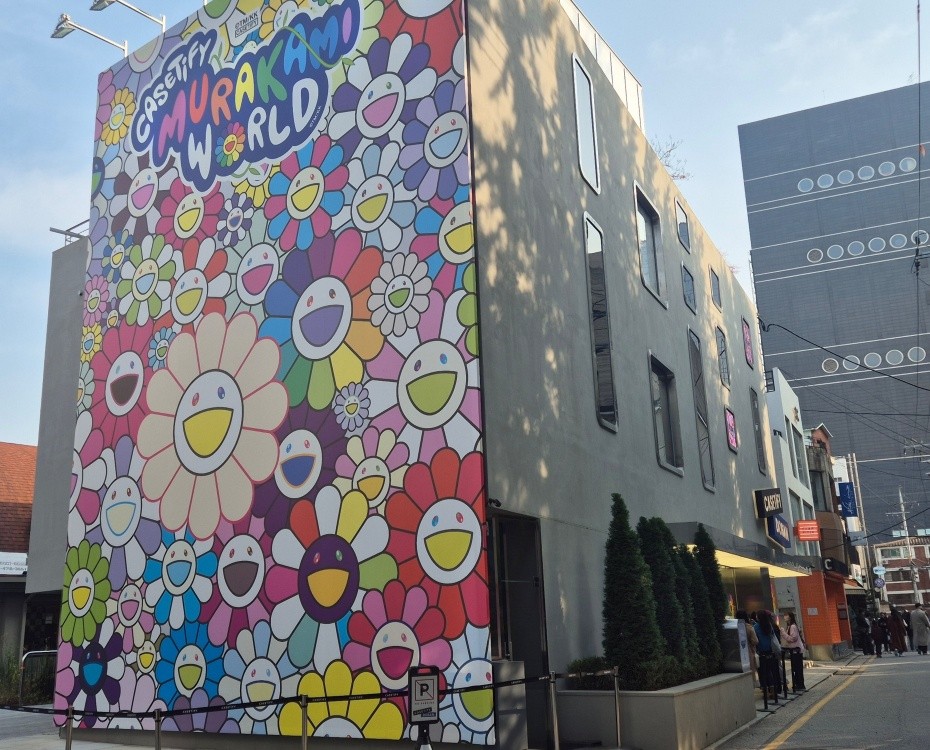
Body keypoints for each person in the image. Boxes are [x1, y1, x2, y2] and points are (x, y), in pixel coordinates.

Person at [753, 610, 781, 698]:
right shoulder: (769, 625)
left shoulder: (756, 627)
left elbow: (755, 640)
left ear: (758, 617)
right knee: (771, 671)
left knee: (763, 673)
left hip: (761, 652)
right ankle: (773, 692)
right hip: (770, 651)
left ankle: (765, 692)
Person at [781, 612, 806, 690]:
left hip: (796, 650)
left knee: (797, 668)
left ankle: (800, 685)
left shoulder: (793, 626)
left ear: (790, 617)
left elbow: (793, 639)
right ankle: (798, 684)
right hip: (794, 650)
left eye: (786, 615)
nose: (784, 617)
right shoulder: (790, 626)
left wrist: (783, 633)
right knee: (796, 668)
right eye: (784, 615)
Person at [737, 610, 759, 684]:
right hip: (748, 652)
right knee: (750, 672)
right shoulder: (749, 627)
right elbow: (755, 641)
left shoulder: (735, 626)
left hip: (736, 653)